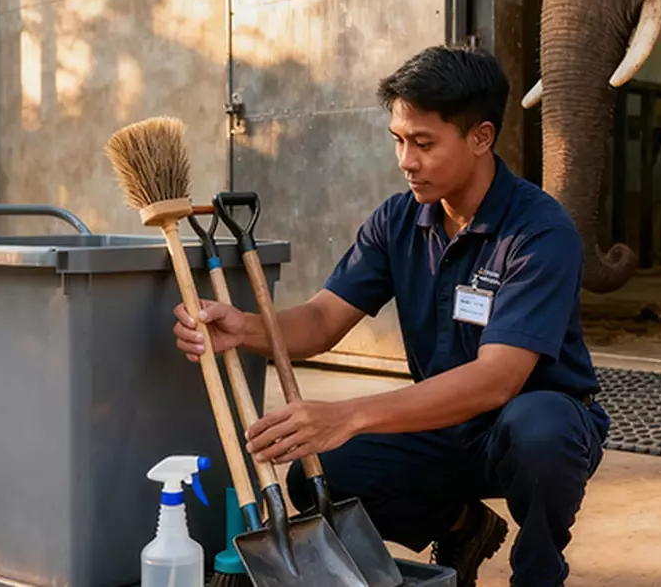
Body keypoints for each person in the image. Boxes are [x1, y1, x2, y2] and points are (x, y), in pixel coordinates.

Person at [172, 44, 610, 587]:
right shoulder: (398, 220)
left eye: (424, 143)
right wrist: (245, 327)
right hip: (443, 424)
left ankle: (539, 569)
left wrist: (349, 414)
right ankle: (463, 525)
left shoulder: (538, 232)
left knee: (539, 430)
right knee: (322, 475)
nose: (406, 160)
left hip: (530, 423)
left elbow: (499, 379)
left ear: (481, 137)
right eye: (399, 141)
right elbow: (322, 319)